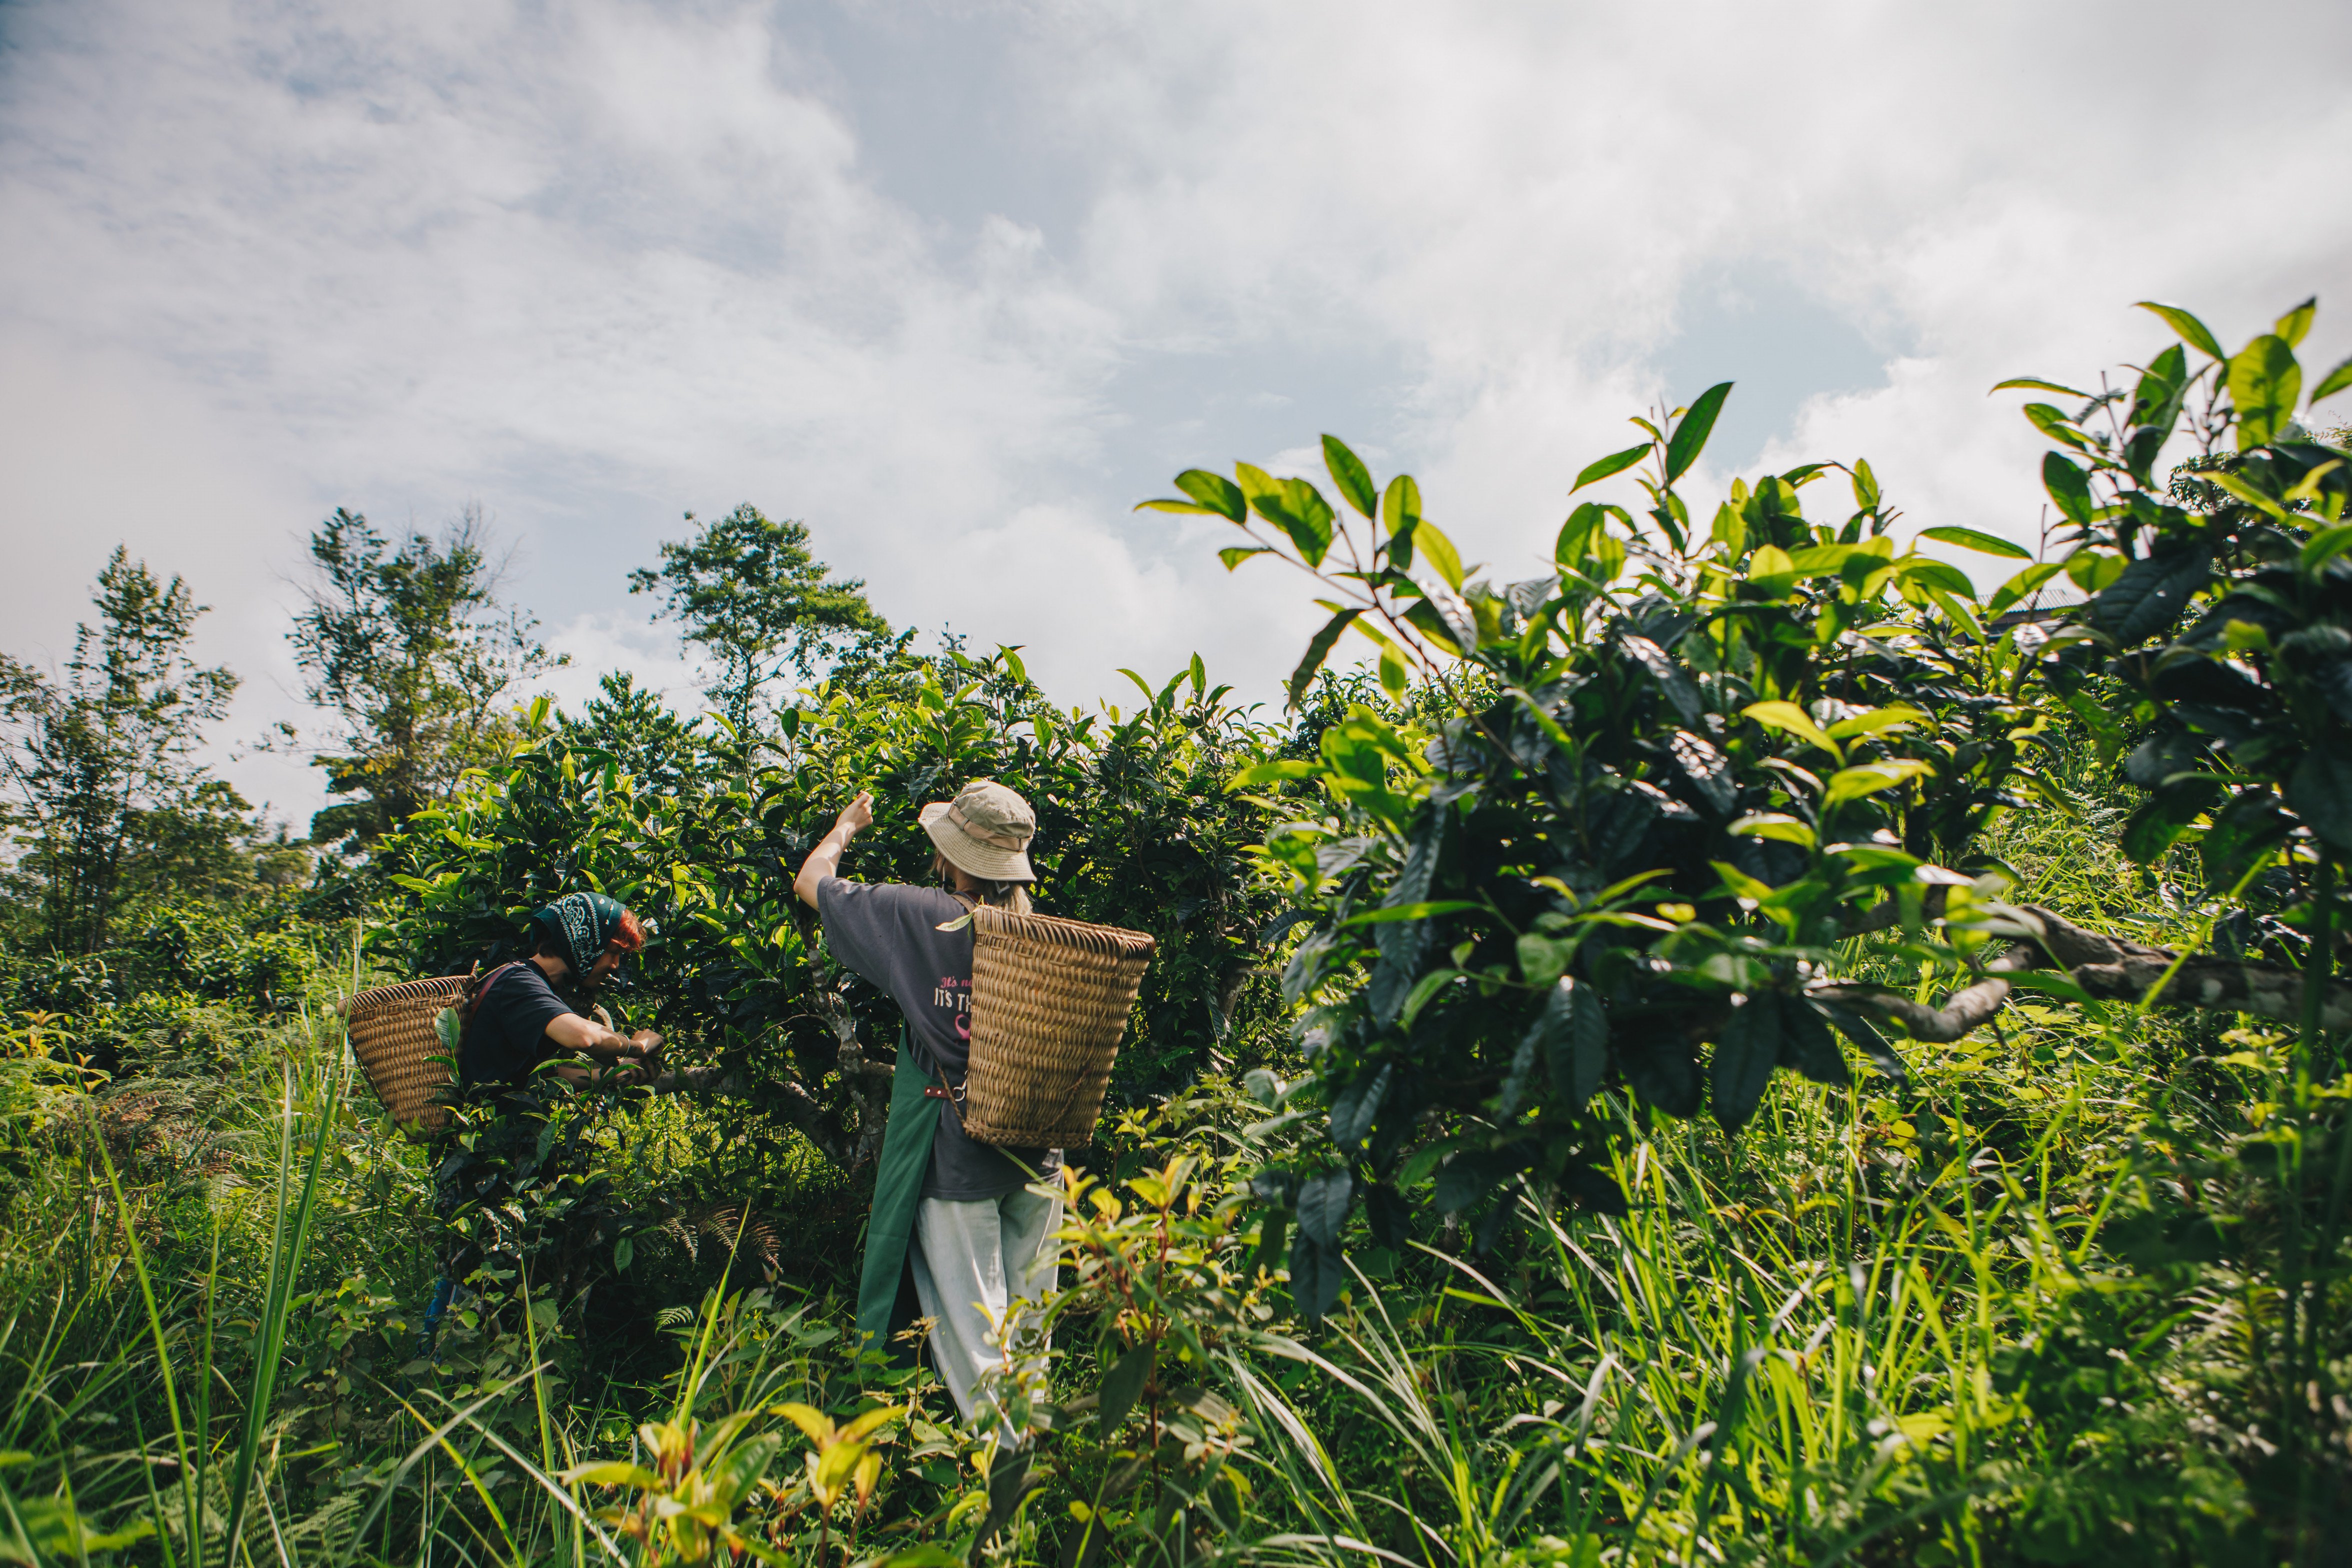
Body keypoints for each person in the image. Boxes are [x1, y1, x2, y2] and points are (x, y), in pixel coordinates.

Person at [796, 779, 1062, 1431]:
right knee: (1029, 1333)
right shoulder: (1043, 936)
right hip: (1039, 1162)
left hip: (957, 1163)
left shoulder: (914, 916)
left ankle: (1003, 1496)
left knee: (977, 1349)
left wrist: (845, 827)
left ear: (950, 855)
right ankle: (1035, 1474)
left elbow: (812, 882)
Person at [424, 891, 664, 1346]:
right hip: (486, 1172)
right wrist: (636, 1045)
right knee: (470, 1295)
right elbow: (585, 1038)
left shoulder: (537, 993)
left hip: (507, 1170)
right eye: (612, 951)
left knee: (478, 1289)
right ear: (582, 941)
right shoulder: (519, 982)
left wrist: (627, 1075)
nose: (615, 966)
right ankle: (430, 1390)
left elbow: (564, 1075)